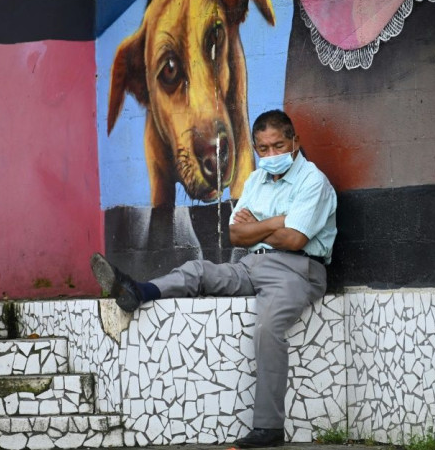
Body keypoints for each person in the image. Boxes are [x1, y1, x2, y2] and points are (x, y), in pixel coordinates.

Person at [91, 109, 337, 448]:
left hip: (298, 271)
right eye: (263, 148)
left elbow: (296, 240)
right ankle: (138, 290)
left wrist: (257, 227)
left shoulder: (313, 181)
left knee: (267, 327)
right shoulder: (255, 181)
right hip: (254, 264)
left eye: (279, 146)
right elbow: (235, 236)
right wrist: (277, 222)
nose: (271, 155)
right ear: (254, 147)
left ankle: (269, 428)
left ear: (295, 142)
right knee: (199, 270)